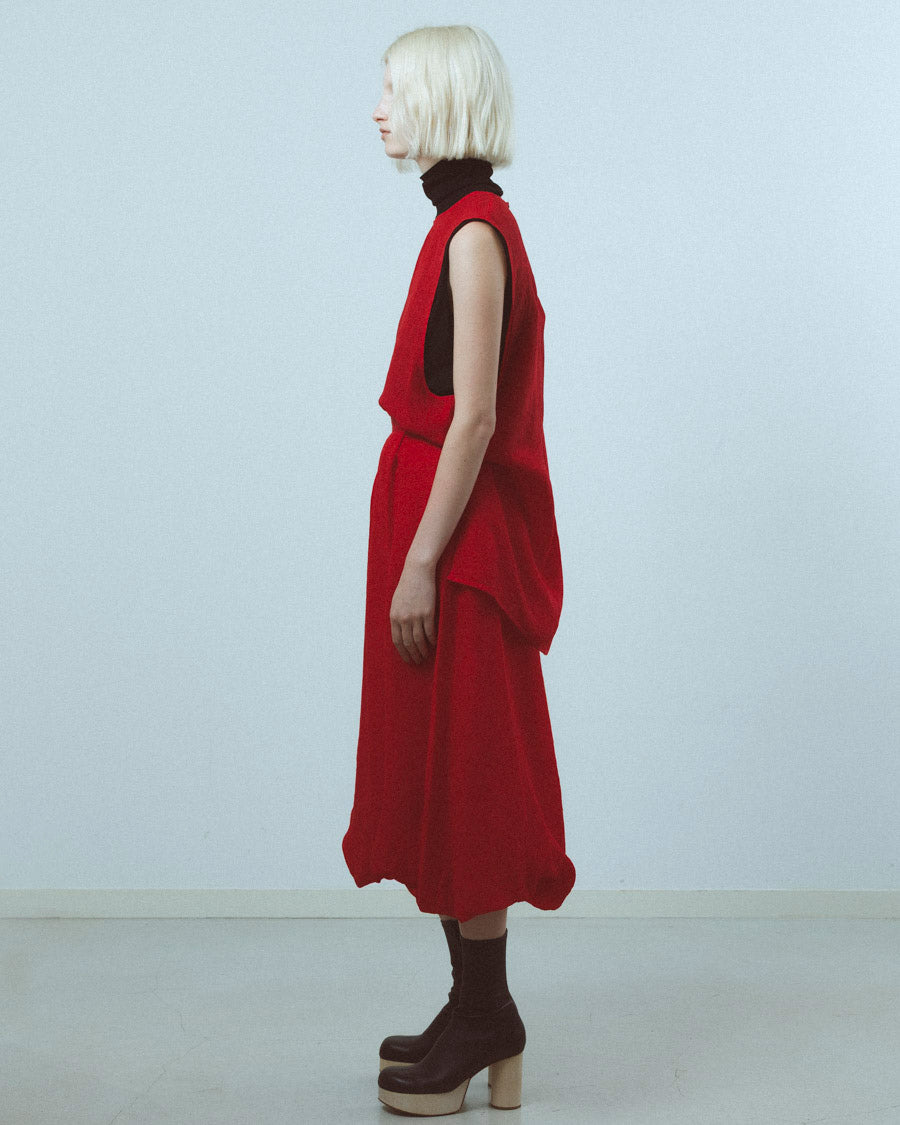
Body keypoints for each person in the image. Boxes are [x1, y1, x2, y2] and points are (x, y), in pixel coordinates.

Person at [341, 24, 577, 1115]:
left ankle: (487, 1016)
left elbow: (473, 419)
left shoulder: (475, 233)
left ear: (442, 99)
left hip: (461, 551)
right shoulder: (455, 224)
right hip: (439, 537)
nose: (379, 109)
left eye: (394, 90)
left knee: (470, 780)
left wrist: (421, 562)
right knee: (439, 774)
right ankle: (476, 1006)